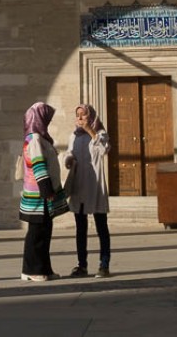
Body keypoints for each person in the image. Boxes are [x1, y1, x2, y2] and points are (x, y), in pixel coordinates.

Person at [19, 101, 69, 282]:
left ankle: (44, 269)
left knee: (44, 231)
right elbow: (38, 165)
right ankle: (32, 270)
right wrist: (47, 190)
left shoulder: (40, 138)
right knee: (37, 233)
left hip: (42, 196)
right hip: (38, 197)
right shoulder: (34, 139)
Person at [65, 103, 113, 278]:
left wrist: (90, 131)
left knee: (101, 227)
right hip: (79, 185)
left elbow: (104, 150)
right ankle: (81, 265)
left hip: (95, 186)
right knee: (80, 228)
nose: (80, 118)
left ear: (90, 117)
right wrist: (68, 159)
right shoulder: (74, 136)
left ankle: (104, 264)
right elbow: (69, 153)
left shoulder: (100, 134)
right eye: (77, 115)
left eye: (83, 115)